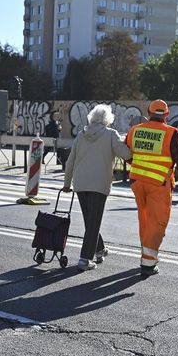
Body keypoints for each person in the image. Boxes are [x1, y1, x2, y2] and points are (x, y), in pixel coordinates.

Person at [125, 99, 178, 278]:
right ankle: (148, 263)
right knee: (157, 223)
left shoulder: (135, 130)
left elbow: (126, 154)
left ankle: (145, 255)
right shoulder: (171, 133)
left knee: (145, 221)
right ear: (166, 115)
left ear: (149, 113)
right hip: (158, 184)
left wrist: (140, 165)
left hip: (137, 182)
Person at [62, 104, 131, 271]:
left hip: (80, 183)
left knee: (90, 220)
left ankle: (99, 250)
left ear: (92, 118)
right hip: (99, 184)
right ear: (107, 120)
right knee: (93, 222)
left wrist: (66, 184)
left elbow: (70, 161)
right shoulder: (111, 134)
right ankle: (84, 259)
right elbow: (127, 154)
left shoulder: (81, 135)